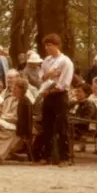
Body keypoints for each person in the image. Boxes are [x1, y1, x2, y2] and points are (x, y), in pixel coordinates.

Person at [38, 34, 74, 167]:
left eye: (50, 45)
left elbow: (64, 83)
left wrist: (50, 88)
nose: (47, 48)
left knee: (62, 126)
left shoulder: (65, 61)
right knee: (46, 126)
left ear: (57, 46)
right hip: (47, 95)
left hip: (59, 95)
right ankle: (47, 156)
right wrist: (50, 75)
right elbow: (42, 77)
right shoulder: (46, 61)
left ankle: (65, 157)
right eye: (46, 45)